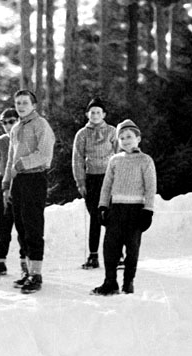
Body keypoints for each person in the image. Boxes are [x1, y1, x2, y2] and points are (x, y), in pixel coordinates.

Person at [91, 119, 156, 295]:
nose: (126, 140)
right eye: (122, 138)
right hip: (116, 209)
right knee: (110, 247)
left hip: (135, 211)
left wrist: (148, 210)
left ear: (138, 138)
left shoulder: (145, 161)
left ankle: (128, 282)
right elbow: (106, 186)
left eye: (129, 136)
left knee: (132, 248)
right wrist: (103, 206)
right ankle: (110, 282)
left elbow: (150, 188)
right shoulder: (115, 160)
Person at [2, 89, 55, 294]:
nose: (21, 106)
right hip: (18, 181)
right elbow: (10, 159)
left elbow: (44, 153)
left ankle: (36, 273)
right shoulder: (16, 128)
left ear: (33, 105)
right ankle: (26, 270)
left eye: (25, 103)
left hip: (34, 177)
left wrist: (22, 165)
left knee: (33, 224)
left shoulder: (40, 125)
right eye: (18, 103)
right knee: (21, 225)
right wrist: (7, 184)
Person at [72, 97, 117, 269]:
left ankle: (116, 254)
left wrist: (118, 178)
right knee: (95, 217)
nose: (95, 115)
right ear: (87, 115)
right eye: (92, 112)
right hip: (92, 179)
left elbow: (119, 155)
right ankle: (93, 256)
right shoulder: (82, 134)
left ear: (104, 114)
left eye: (98, 112)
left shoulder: (112, 131)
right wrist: (81, 182)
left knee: (111, 216)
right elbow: (77, 159)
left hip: (109, 178)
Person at [0, 108, 27, 277]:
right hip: (3, 183)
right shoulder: (1, 141)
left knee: (22, 223)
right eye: (4, 123)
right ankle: (0, 262)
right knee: (3, 223)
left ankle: (25, 263)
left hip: (20, 181)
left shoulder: (25, 139)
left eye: (11, 121)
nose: (8, 125)